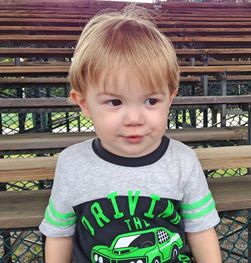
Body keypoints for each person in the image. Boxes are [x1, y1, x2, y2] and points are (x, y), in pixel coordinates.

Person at [39, 5, 221, 263]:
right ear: (84, 104)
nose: (134, 119)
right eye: (115, 102)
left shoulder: (183, 161)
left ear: (170, 99)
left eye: (150, 101)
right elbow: (59, 234)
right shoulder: (73, 164)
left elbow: (201, 229)